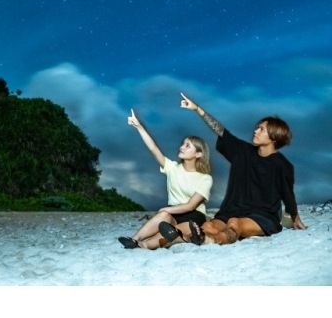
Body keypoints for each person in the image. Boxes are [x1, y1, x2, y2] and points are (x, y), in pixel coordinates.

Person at [179, 92, 307, 244]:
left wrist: (295, 218)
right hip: (231, 210)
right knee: (209, 225)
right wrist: (197, 109)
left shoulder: (283, 165)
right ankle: (203, 236)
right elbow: (220, 130)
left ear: (274, 136)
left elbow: (288, 195)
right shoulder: (242, 151)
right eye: (257, 127)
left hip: (262, 216)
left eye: (261, 129)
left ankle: (213, 240)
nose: (255, 131)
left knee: (235, 223)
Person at [118, 108, 213, 249]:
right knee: (164, 219)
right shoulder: (172, 167)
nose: (182, 147)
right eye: (183, 143)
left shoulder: (205, 178)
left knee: (176, 230)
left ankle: (145, 245)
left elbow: (191, 206)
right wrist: (139, 127)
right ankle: (134, 239)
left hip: (194, 215)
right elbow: (153, 148)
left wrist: (166, 210)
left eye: (188, 146)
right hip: (172, 212)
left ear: (198, 154)